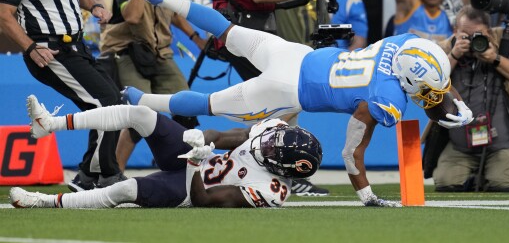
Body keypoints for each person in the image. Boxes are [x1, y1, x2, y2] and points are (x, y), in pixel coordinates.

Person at [124, 0, 474, 206]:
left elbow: (431, 66)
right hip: (287, 89)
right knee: (211, 103)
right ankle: (140, 99)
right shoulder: (387, 100)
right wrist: (367, 195)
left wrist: (455, 99)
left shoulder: (406, 44)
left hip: (294, 54)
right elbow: (351, 153)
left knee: (227, 29)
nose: (432, 93)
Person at [0, 0, 124, 191]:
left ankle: (89, 176)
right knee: (107, 102)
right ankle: (102, 173)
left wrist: (94, 6)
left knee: (103, 101)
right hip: (50, 50)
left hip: (77, 46)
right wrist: (30, 47)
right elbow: (4, 16)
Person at [10, 95, 322, 209]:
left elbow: (205, 200)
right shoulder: (270, 133)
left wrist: (198, 164)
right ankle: (49, 123)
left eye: (272, 149)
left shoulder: (272, 191)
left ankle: (44, 201)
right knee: (142, 115)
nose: (266, 143)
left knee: (126, 189)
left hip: (190, 189)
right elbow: (231, 135)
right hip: (194, 158)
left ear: (283, 170)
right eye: (273, 138)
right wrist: (202, 137)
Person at [100, 0, 202, 169]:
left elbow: (174, 13)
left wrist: (197, 38)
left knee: (186, 108)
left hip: (161, 52)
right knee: (140, 115)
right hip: (126, 50)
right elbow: (133, 16)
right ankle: (114, 173)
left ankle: (182, 170)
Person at [432, 5, 509, 192]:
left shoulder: (506, 42)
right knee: (444, 182)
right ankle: (476, 175)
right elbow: (429, 83)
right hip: (460, 147)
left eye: (478, 35)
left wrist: (495, 59)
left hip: (501, 145)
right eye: (465, 35)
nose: (472, 41)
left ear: (488, 32)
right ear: (455, 31)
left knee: (502, 184)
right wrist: (454, 55)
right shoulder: (445, 48)